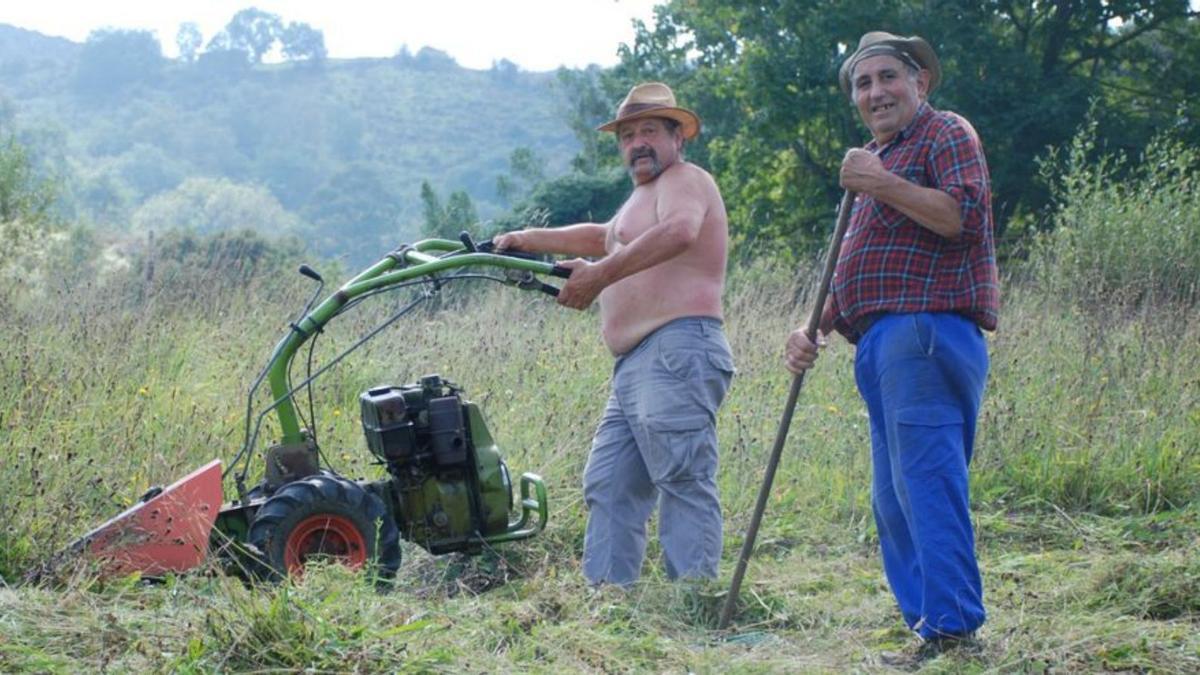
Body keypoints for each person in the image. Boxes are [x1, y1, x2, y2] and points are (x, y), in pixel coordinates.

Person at [785, 32, 999, 647]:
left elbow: (961, 216)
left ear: (920, 83)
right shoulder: (872, 166)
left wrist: (878, 182)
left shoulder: (943, 133)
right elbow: (854, 268)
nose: (875, 92)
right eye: (862, 83)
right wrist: (812, 329)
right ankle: (928, 625)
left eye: (887, 77)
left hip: (926, 331)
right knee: (893, 499)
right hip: (880, 343)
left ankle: (954, 630)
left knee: (926, 485)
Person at [493, 82, 734, 586]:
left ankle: (694, 602)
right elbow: (599, 236)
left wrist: (600, 275)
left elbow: (680, 232)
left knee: (682, 478)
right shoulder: (641, 198)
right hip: (634, 364)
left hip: (676, 346)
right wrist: (524, 238)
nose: (636, 143)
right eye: (627, 136)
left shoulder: (685, 180)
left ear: (677, 138)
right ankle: (609, 602)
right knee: (610, 483)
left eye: (649, 131)